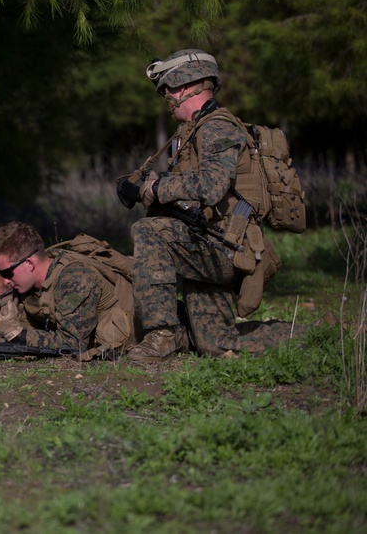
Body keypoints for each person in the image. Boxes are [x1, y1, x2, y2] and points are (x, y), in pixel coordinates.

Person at [120, 49, 301, 362]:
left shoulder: (216, 128)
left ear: (186, 86)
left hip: (226, 248)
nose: (165, 96)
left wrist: (160, 186)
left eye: (167, 88)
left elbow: (210, 185)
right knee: (217, 343)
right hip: (208, 242)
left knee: (149, 232)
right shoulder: (192, 131)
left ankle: (161, 336)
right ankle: (311, 332)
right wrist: (148, 189)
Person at [0, 222, 137, 358]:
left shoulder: (76, 278)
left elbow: (73, 344)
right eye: (1, 273)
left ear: (29, 263)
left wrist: (18, 334)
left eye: (8, 272)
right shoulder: (31, 286)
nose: (5, 280)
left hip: (128, 341)